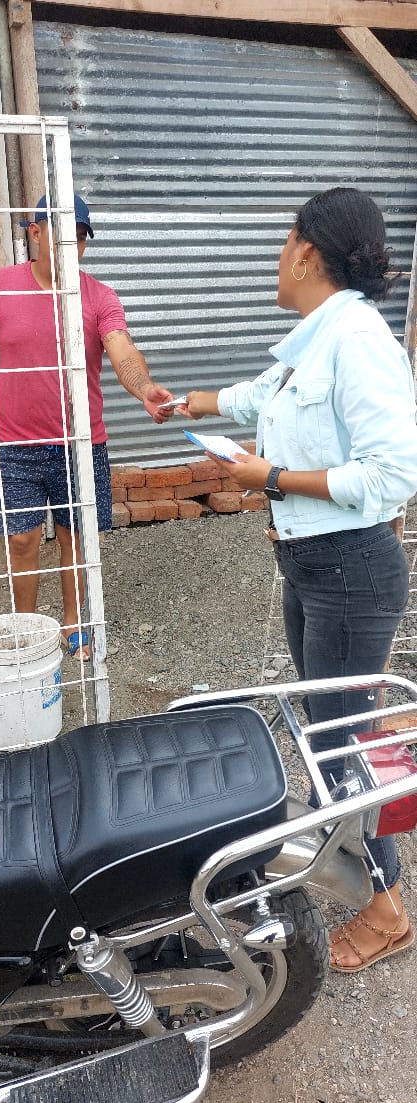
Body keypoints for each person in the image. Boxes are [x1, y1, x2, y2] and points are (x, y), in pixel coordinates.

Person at [175, 186, 417, 974]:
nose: (278, 256)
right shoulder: (315, 341)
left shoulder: (358, 341)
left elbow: (392, 474)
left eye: (284, 241)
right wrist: (183, 403)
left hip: (350, 569)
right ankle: (353, 865)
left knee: (339, 741)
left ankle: (385, 912)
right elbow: (260, 398)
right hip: (312, 563)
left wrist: (271, 477)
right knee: (326, 731)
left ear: (306, 252)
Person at [0, 193, 173, 660]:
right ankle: (27, 630)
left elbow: (121, 348)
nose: (72, 248)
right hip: (14, 444)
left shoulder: (99, 297)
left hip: (80, 445)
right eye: (62, 237)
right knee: (21, 539)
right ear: (35, 233)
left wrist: (144, 388)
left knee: (76, 538)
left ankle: (74, 622)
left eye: (79, 240)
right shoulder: (0, 286)